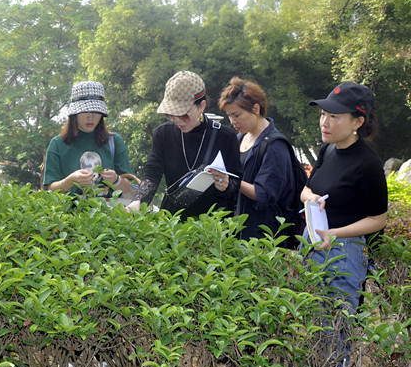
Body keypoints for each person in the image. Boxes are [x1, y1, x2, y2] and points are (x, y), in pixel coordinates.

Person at [303, 81, 387, 317]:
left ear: (357, 122)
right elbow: (305, 190)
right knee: (311, 329)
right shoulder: (328, 150)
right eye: (323, 114)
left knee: (336, 334)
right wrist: (313, 197)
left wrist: (334, 233)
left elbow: (378, 220)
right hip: (314, 243)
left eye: (334, 116)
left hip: (343, 254)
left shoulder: (367, 163)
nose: (324, 122)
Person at [127, 71, 242, 218]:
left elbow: (238, 182)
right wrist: (138, 201)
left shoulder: (225, 136)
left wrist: (226, 184)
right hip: (174, 221)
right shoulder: (163, 134)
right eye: (170, 114)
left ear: (201, 106)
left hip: (214, 226)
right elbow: (152, 174)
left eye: (183, 114)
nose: (177, 120)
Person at [218, 78, 296, 242]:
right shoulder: (238, 139)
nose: (233, 121)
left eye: (237, 115)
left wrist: (233, 182)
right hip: (239, 234)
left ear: (256, 108)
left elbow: (265, 194)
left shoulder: (275, 145)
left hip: (268, 239)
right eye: (229, 116)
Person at [43, 81, 133, 197]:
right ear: (75, 113)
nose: (91, 117)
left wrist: (116, 180)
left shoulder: (114, 141)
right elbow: (50, 190)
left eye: (96, 111)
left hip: (108, 212)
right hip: (69, 213)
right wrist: (69, 181)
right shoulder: (58, 144)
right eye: (85, 111)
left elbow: (128, 188)